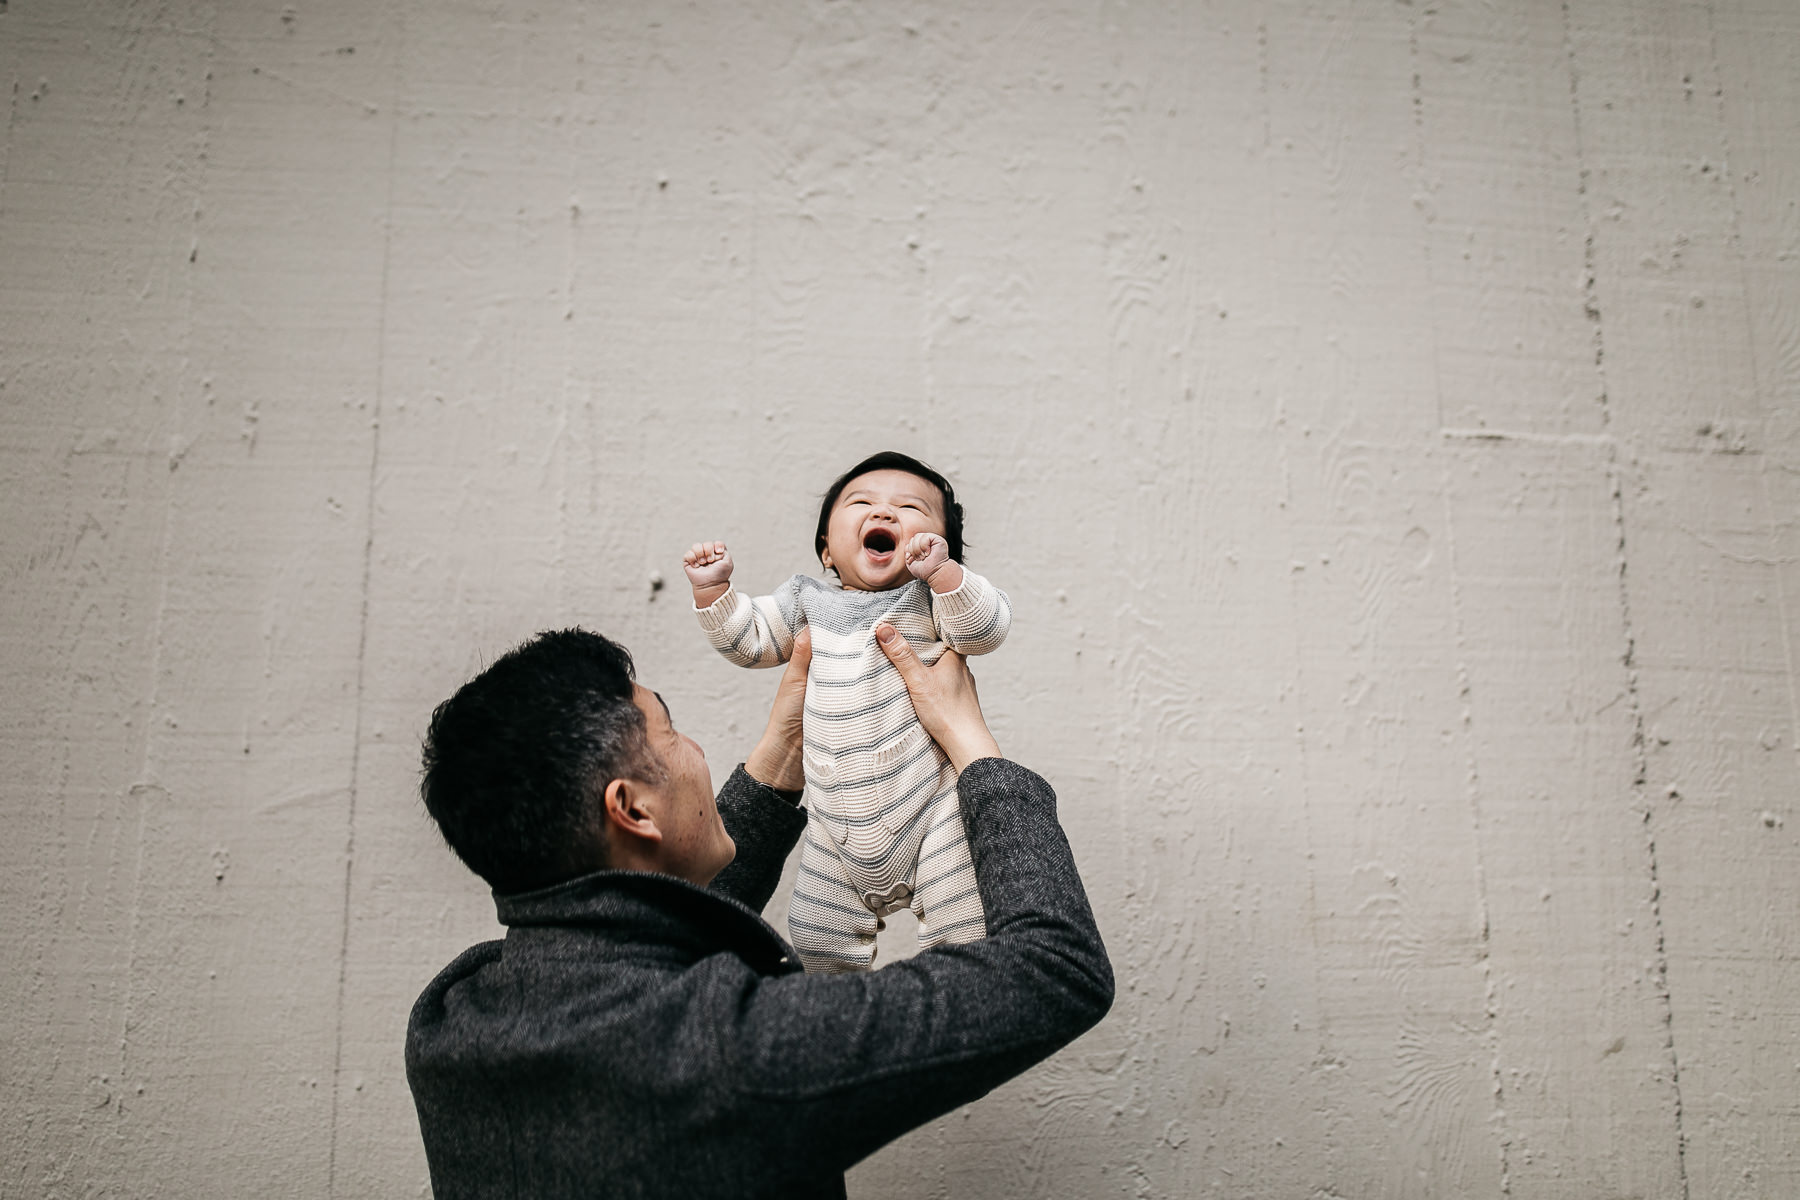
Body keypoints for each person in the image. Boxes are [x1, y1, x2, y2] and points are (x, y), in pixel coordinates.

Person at [405, 619, 1112, 1200]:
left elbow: (640, 940)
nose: (698, 750)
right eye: (670, 731)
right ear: (631, 808)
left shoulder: (451, 1020)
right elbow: (1055, 967)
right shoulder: (733, 1052)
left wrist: (785, 754)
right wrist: (974, 748)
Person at [683, 450, 1012, 972]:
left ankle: (950, 1009)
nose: (884, 514)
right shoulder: (804, 601)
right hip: (834, 827)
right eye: (861, 502)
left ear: (941, 549)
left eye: (911, 508)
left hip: (933, 813)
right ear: (827, 552)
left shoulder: (930, 602)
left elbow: (985, 628)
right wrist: (714, 591)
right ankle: (838, 1023)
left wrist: (946, 577)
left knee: (966, 934)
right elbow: (750, 641)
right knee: (815, 938)